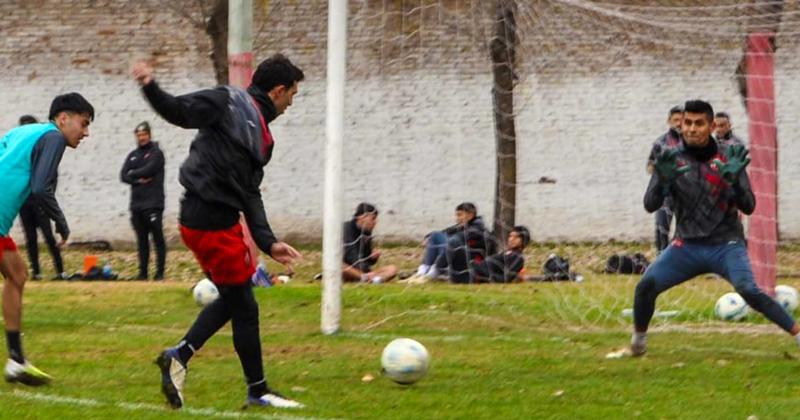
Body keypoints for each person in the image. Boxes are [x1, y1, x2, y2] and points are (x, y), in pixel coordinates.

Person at [133, 54, 305, 409]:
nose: (291, 103)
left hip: (209, 220)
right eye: (292, 94)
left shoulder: (263, 137)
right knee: (245, 306)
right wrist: (150, 86)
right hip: (209, 221)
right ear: (277, 90)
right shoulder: (226, 100)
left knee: (234, 298)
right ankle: (256, 390)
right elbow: (179, 111)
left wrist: (268, 242)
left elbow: (249, 192)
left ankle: (179, 355)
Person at [624, 99, 800, 357]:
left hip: (725, 244)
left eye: (699, 123)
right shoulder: (669, 157)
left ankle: (797, 335)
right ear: (681, 124)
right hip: (686, 246)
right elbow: (650, 205)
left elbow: (749, 206)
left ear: (711, 126)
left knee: (748, 289)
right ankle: (639, 341)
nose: (692, 129)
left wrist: (734, 183)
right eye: (687, 123)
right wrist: (662, 180)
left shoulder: (730, 155)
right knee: (645, 287)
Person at [1, 93, 94, 385]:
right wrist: (61, 222)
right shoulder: (53, 137)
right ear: (63, 118)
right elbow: (41, 188)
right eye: (84, 123)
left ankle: (16, 360)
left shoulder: (25, 132)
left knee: (17, 274)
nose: (86, 132)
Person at [16, 115, 67, 280]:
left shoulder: (43, 150)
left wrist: (47, 197)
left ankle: (60, 271)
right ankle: (36, 272)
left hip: (40, 201)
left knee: (49, 236)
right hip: (25, 202)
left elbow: (52, 175)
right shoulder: (21, 152)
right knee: (30, 238)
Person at [120, 121, 166, 280]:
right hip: (136, 204)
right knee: (141, 240)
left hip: (153, 203)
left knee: (157, 238)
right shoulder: (133, 155)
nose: (142, 138)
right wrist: (137, 179)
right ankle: (143, 273)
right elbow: (123, 175)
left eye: (144, 135)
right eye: (139, 135)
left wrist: (133, 172)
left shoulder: (156, 153)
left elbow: (150, 169)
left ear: (149, 135)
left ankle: (159, 273)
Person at [412, 202, 495, 284]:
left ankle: (431, 272)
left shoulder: (478, 228)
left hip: (469, 264)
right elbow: (447, 231)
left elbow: (458, 239)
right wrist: (428, 237)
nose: (457, 219)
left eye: (460, 215)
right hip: (460, 260)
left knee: (450, 241)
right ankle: (423, 271)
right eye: (456, 215)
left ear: (470, 215)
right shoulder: (465, 226)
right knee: (435, 236)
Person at [646, 106, 683, 254]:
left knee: (686, 232)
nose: (679, 123)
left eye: (682, 120)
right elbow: (649, 167)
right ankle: (661, 261)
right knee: (662, 230)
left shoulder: (692, 144)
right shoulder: (660, 143)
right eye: (676, 120)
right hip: (665, 195)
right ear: (669, 121)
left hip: (686, 195)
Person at [342, 203, 398, 283]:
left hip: (364, 273)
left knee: (392, 269)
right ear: (361, 217)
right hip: (348, 270)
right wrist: (367, 272)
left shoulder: (367, 232)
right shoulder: (346, 229)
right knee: (339, 266)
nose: (375, 222)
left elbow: (366, 259)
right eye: (373, 218)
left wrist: (372, 258)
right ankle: (367, 278)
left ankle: (375, 280)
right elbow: (352, 257)